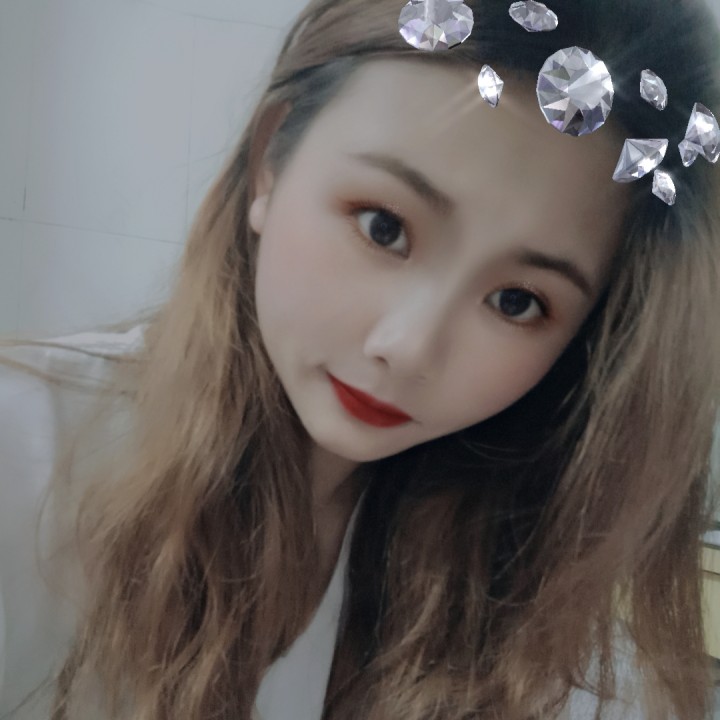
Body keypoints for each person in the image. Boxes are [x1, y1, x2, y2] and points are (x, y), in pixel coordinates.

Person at [1, 0, 719, 718]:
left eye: (516, 301)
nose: (406, 348)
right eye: (383, 227)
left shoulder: (525, 584)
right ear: (270, 164)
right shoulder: (27, 453)